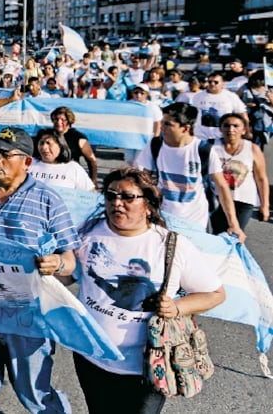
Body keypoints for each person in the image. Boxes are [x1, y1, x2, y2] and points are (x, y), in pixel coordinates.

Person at [65, 167, 225, 414]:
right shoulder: (88, 232)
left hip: (147, 365)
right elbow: (68, 277)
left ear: (149, 205)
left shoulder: (172, 245)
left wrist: (177, 307)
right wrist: (50, 266)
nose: (117, 203)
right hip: (91, 357)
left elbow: (215, 293)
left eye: (128, 197)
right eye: (110, 196)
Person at [0, 126, 78, 414]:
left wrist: (57, 263)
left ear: (26, 162)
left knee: (34, 395)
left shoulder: (48, 200)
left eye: (5, 154)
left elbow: (71, 261)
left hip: (29, 314)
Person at [133, 103, 212, 232]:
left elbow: (221, 187)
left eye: (168, 124)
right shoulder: (156, 144)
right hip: (164, 217)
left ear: (185, 128)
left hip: (195, 221)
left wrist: (233, 223)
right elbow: (145, 178)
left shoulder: (202, 149)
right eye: (162, 122)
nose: (162, 127)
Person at [208, 113, 269, 240]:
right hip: (217, 199)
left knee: (235, 235)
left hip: (243, 200)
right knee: (218, 235)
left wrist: (265, 205)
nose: (231, 129)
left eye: (236, 126)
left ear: (244, 130)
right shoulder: (211, 146)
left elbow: (261, 178)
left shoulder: (252, 149)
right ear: (220, 128)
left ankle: (235, 259)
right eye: (226, 125)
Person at [28, 129, 96, 192]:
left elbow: (91, 193)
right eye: (41, 143)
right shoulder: (28, 164)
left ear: (60, 145)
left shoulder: (73, 168)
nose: (44, 147)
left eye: (48, 143)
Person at [190, 72, 247, 141]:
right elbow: (192, 115)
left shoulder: (231, 96)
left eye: (216, 82)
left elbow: (242, 114)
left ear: (223, 84)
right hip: (201, 137)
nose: (212, 84)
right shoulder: (198, 96)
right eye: (210, 82)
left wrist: (246, 130)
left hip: (223, 137)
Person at [50, 106, 98, 184]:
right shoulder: (46, 135)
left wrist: (93, 180)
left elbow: (92, 161)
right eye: (56, 119)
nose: (59, 122)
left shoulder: (79, 138)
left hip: (70, 177)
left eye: (63, 120)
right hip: (50, 175)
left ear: (69, 121)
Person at [240, 70, 273, 149]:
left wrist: (270, 97)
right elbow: (235, 100)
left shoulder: (269, 89)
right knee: (248, 142)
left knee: (259, 142)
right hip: (248, 117)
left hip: (264, 120)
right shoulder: (245, 87)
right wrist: (246, 104)